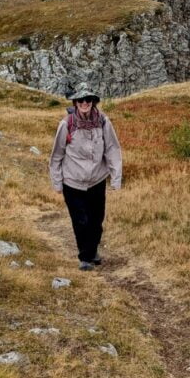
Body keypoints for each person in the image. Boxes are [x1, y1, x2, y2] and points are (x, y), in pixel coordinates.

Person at [49, 82, 123, 270]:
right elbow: (57, 155)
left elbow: (112, 149)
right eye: (81, 99)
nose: (84, 103)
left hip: (97, 180)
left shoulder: (103, 122)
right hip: (72, 182)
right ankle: (85, 258)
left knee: (96, 221)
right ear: (75, 102)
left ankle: (93, 250)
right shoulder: (66, 124)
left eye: (88, 99)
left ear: (93, 102)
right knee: (81, 221)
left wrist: (116, 178)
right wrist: (57, 183)